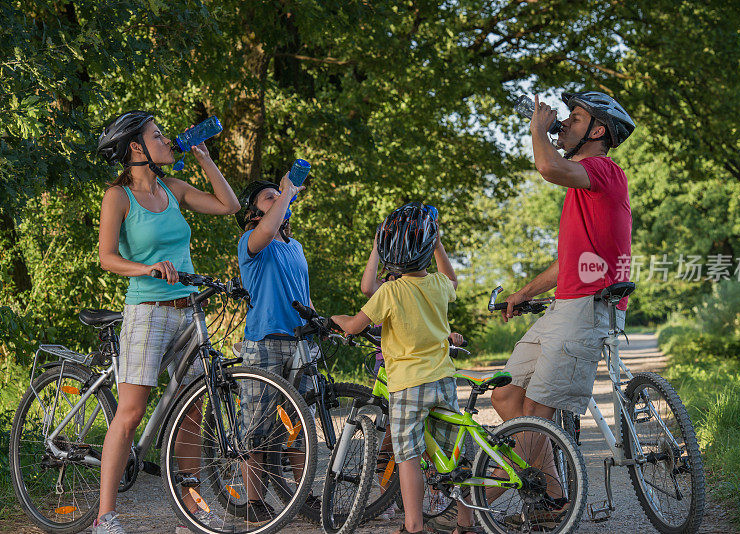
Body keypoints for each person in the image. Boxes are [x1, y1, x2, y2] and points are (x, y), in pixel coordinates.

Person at [95, 111, 239, 533]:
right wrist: (147, 268)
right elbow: (106, 258)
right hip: (147, 311)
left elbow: (228, 205)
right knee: (132, 410)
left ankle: (191, 511)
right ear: (136, 148)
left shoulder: (173, 189)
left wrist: (206, 159)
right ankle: (105, 517)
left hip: (187, 311)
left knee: (193, 409)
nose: (166, 140)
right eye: (157, 135)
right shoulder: (118, 197)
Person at [490, 91, 635, 497]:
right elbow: (567, 262)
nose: (564, 124)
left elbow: (546, 167)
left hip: (589, 309)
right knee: (505, 395)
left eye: (574, 118)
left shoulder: (603, 170)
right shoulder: (583, 185)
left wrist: (537, 128)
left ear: (597, 130)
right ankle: (553, 494)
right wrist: (523, 292)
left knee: (537, 413)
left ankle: (470, 509)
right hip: (564, 306)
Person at [332, 203, 478, 534]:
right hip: (443, 379)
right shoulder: (439, 285)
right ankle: (466, 523)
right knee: (452, 454)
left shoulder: (392, 291)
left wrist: (335, 320)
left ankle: (413, 526)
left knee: (408, 456)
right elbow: (453, 279)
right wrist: (438, 242)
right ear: (427, 248)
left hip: (409, 385)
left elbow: (355, 323)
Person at [234, 175, 316, 521]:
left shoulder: (295, 247)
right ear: (254, 213)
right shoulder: (252, 241)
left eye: (280, 196)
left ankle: (303, 496)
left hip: (300, 342)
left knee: (301, 426)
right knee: (257, 427)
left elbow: (301, 291)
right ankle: (253, 502)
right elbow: (268, 231)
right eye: (270, 198)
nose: (280, 199)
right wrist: (287, 190)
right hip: (264, 342)